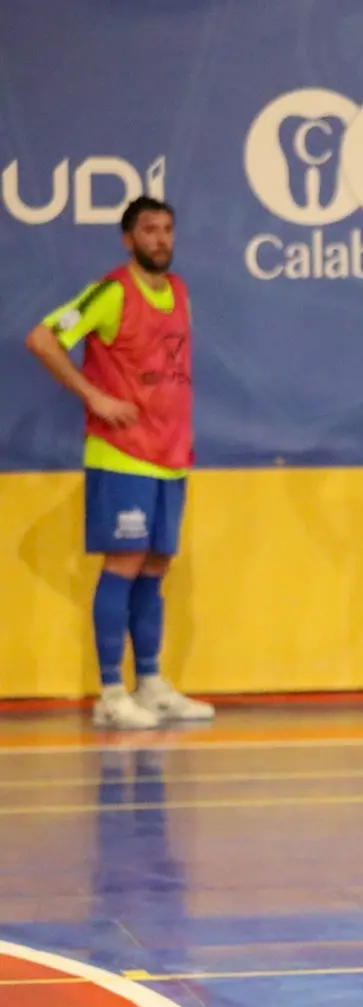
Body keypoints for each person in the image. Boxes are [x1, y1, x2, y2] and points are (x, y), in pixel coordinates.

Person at [24, 195, 213, 729]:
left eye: (167, 229)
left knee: (155, 567)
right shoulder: (111, 292)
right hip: (122, 454)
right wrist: (96, 397)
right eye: (149, 230)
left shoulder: (179, 292)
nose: (161, 239)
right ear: (129, 240)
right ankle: (110, 691)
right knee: (124, 564)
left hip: (170, 456)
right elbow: (42, 339)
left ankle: (149, 682)